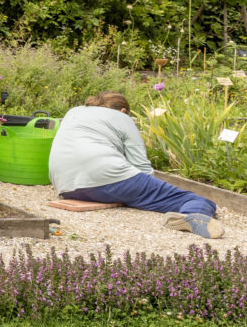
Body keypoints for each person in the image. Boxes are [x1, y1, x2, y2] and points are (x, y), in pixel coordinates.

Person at [47, 92, 223, 239]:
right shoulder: (122, 118)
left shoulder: (74, 112)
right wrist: (150, 187)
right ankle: (192, 216)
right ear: (123, 110)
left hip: (65, 186)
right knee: (197, 200)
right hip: (108, 178)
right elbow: (141, 165)